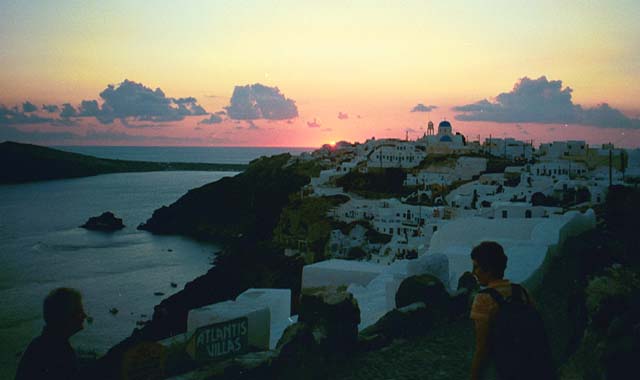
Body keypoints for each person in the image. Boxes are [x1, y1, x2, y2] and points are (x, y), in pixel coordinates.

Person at [469, 241, 554, 380]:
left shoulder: (483, 299)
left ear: (488, 270)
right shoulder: (520, 291)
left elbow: (482, 346)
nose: (473, 272)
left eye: (476, 267)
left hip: (502, 367)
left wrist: (474, 376)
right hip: (530, 365)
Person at [15, 287, 88, 380]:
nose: (85, 315)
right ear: (66, 316)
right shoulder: (59, 352)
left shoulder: (39, 344)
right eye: (80, 311)